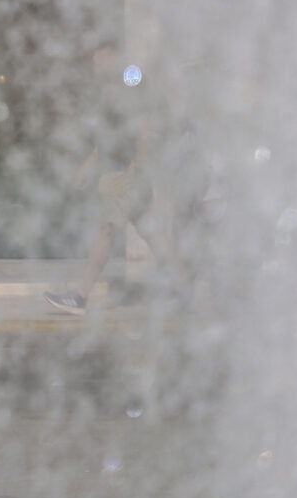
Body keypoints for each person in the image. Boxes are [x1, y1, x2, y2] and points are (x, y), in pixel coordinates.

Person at [44, 61, 195, 315]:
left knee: (106, 234)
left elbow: (143, 137)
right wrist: (87, 167)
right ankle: (182, 287)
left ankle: (80, 296)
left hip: (121, 179)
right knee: (151, 232)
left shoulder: (137, 107)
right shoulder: (117, 108)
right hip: (119, 176)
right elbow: (105, 144)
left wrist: (133, 172)